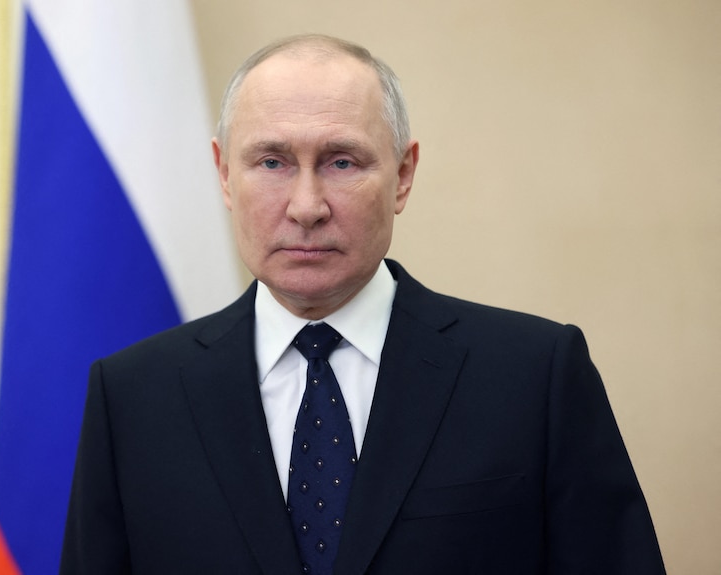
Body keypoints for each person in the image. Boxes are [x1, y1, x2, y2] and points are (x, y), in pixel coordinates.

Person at [59, 34, 665, 574]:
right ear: (223, 174)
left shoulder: (536, 376)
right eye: (271, 162)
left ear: (402, 175)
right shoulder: (132, 396)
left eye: (341, 162)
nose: (305, 206)